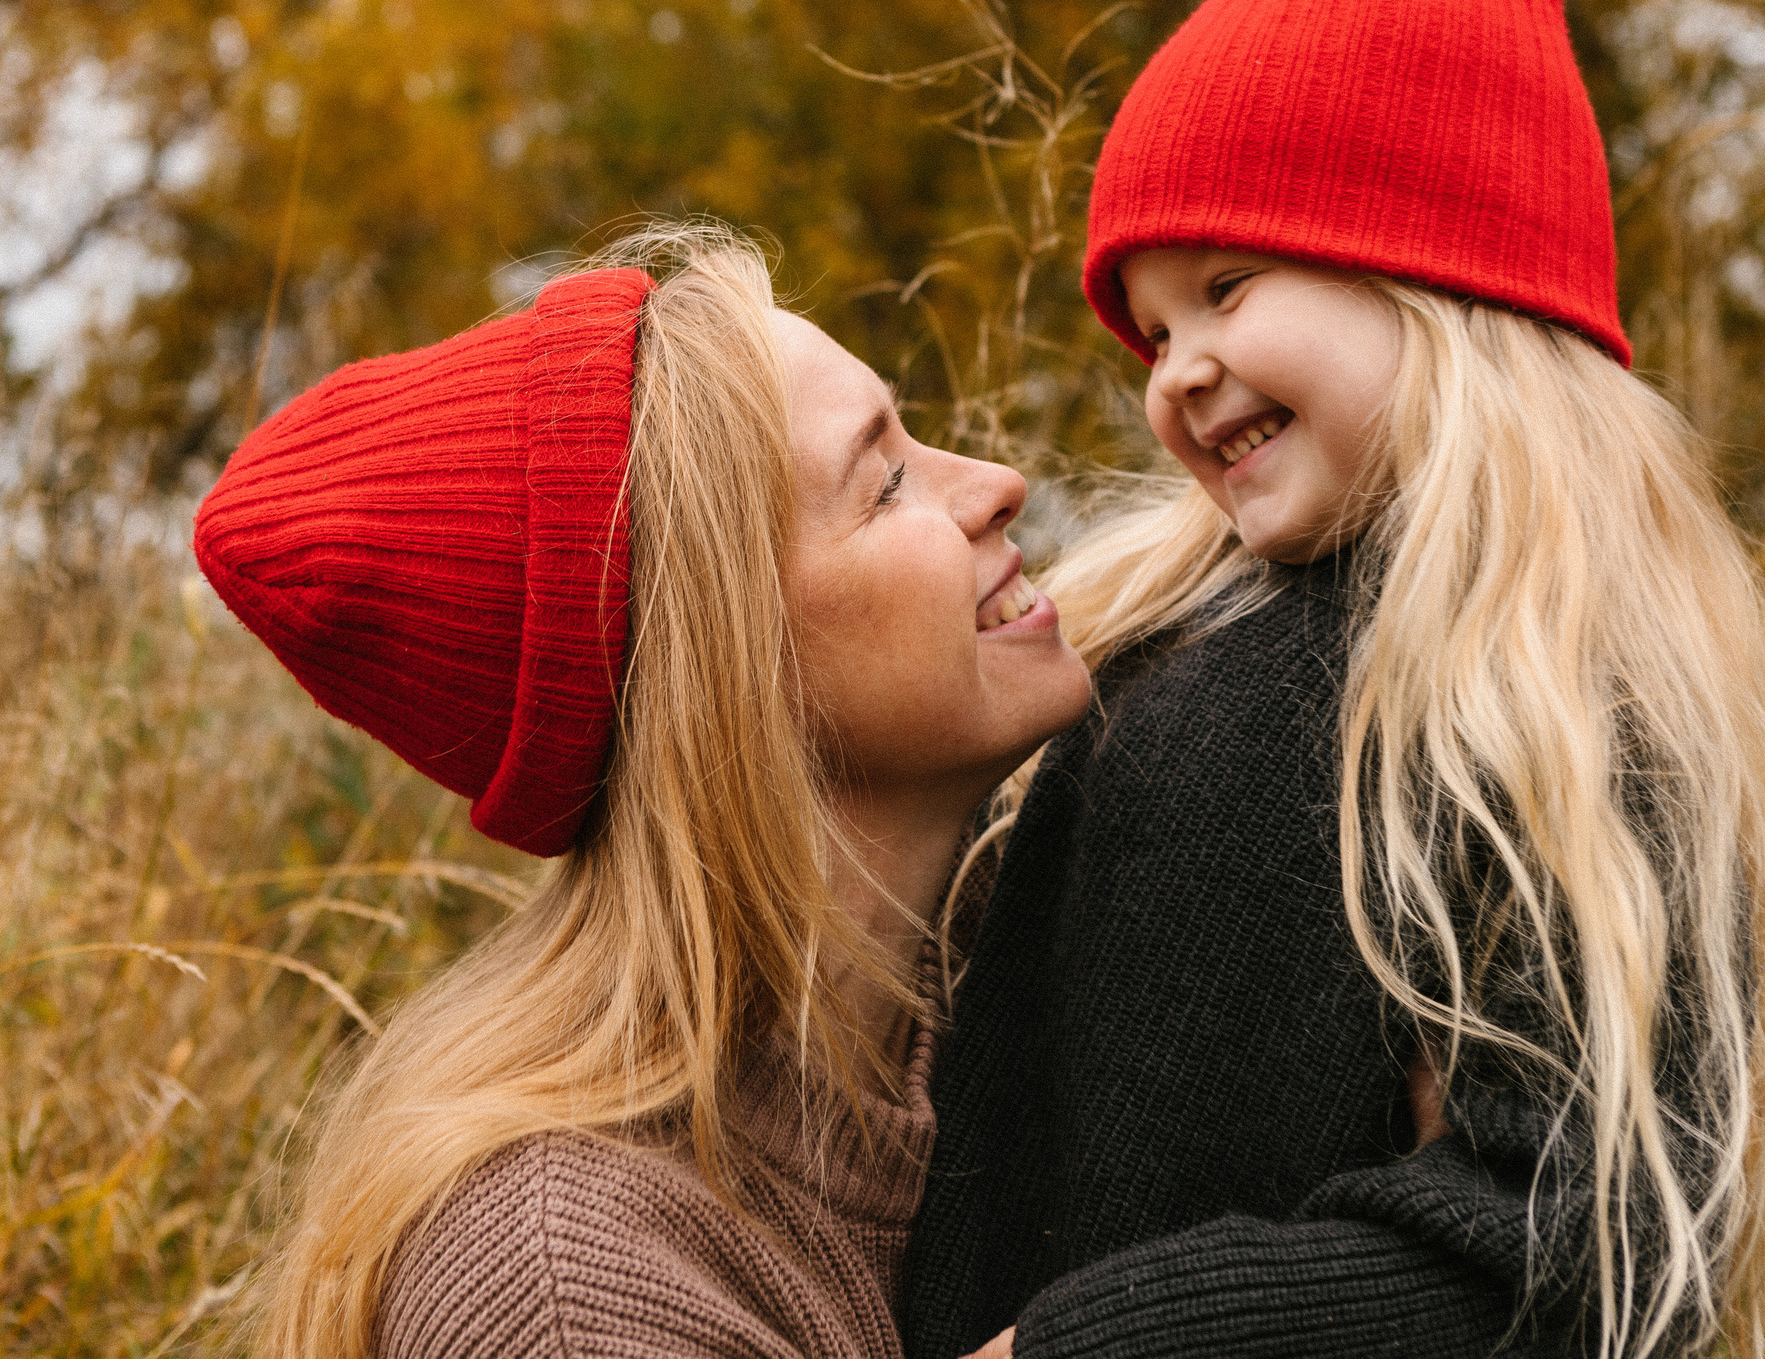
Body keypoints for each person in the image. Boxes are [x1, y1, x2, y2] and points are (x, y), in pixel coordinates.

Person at [902, 0, 1765, 1359]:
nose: (1178, 370)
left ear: (1443, 280)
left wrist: (1080, 1344)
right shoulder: (1157, 632)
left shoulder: (1554, 699)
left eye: (1228, 284)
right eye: (1153, 327)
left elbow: (1583, 1234)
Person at [191, 230, 1092, 1359]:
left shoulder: (1043, 934)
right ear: (723, 677)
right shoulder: (562, 1295)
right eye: (888, 483)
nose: (1000, 484)